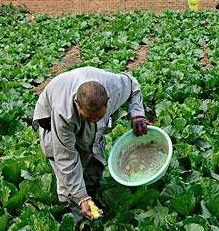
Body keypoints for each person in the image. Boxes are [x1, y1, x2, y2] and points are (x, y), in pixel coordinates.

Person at [33, 66, 149, 221]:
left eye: (99, 117)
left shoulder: (114, 87)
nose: (94, 121)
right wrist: (81, 197)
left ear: (108, 101)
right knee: (68, 185)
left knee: (93, 164)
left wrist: (137, 114)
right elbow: (65, 158)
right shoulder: (63, 113)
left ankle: (91, 197)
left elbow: (133, 85)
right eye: (89, 118)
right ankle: (75, 221)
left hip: (84, 115)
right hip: (50, 122)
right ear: (77, 104)